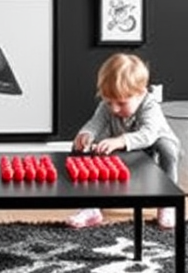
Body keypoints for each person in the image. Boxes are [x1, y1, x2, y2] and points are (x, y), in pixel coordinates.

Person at [67, 53, 180, 229]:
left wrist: (119, 140)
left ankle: (167, 202)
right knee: (87, 152)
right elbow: (95, 123)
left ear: (140, 93)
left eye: (121, 103)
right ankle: (90, 207)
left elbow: (148, 134)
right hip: (122, 145)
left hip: (152, 144)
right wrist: (86, 135)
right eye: (109, 101)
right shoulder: (107, 106)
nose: (114, 108)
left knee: (168, 149)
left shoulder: (150, 106)